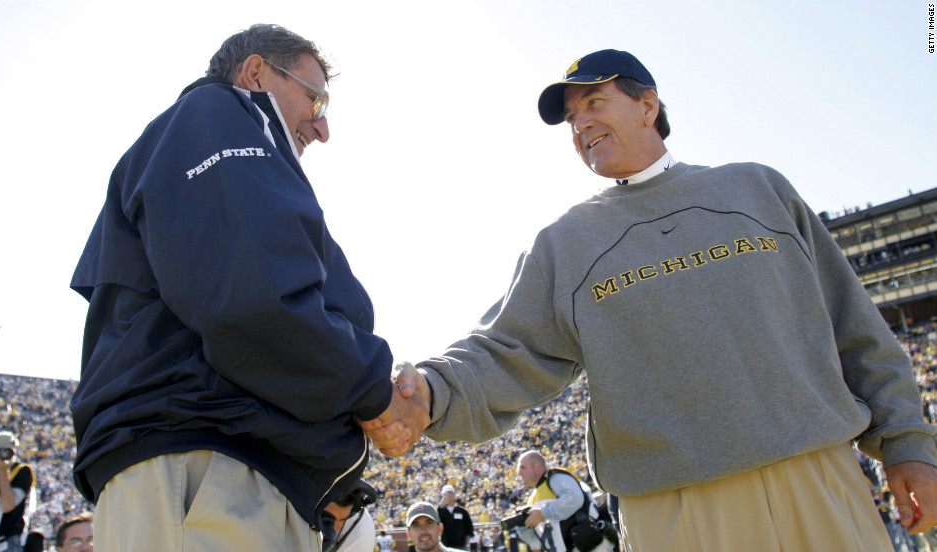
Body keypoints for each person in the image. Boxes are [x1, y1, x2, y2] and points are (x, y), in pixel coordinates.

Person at [364, 49, 937, 550]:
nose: (580, 124)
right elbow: (505, 351)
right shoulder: (565, 243)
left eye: (593, 102)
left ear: (648, 105)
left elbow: (854, 327)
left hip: (820, 478)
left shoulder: (758, 189)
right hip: (675, 507)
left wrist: (908, 444)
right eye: (570, 118)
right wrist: (430, 394)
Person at [68, 23, 427, 552]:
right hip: (207, 469)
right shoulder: (217, 113)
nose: (322, 127)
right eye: (315, 98)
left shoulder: (205, 140)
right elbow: (256, 298)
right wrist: (374, 395)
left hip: (221, 474)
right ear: (255, 72)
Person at [510, 451, 610, 552]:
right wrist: (523, 527)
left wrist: (543, 513)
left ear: (537, 466)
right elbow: (538, 543)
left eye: (523, 467)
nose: (519, 472)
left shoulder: (556, 477)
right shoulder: (532, 499)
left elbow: (575, 499)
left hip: (590, 544)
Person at [437, 485, 474, 550]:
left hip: (461, 546)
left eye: (450, 493)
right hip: (446, 547)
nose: (448, 496)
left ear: (454, 495)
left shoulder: (462, 511)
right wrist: (442, 505)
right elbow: (437, 520)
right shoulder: (441, 511)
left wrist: (465, 542)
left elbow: (469, 528)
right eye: (446, 494)